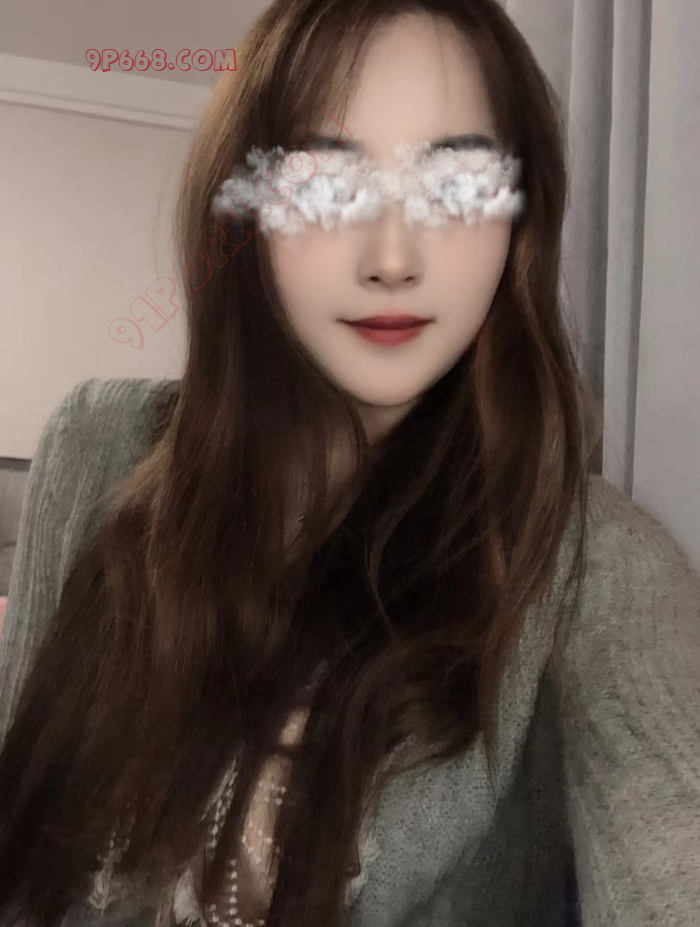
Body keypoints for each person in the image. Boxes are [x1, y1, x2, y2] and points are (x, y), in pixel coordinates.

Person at [0, 0, 699, 925]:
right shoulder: (96, 445)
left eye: (457, 187)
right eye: (328, 182)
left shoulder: (590, 560)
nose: (393, 257)